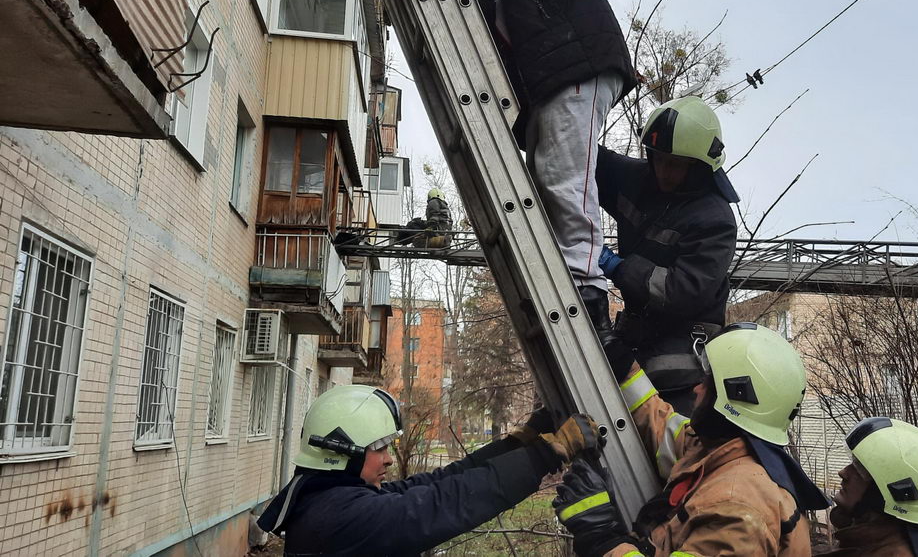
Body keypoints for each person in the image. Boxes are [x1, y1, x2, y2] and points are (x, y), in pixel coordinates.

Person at [445, 0, 635, 330]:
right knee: (553, 179)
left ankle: (587, 290)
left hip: (576, 70)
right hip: (558, 76)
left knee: (567, 179)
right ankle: (573, 277)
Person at [553, 323, 829, 556]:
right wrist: (624, 366)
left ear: (735, 397)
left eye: (707, 383)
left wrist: (601, 535)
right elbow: (662, 425)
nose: (697, 388)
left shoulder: (739, 509)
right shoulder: (724, 452)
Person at [257, 384, 599, 555]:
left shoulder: (330, 499)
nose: (389, 459)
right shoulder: (339, 516)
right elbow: (442, 503)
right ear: (341, 452)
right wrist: (549, 454)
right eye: (379, 448)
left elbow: (439, 482)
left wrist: (521, 443)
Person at [594, 95, 739, 414]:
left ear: (702, 167)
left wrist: (616, 266)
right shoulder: (640, 180)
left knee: (670, 450)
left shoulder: (715, 220)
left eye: (675, 164)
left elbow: (682, 291)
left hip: (682, 377)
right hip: (634, 348)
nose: (663, 171)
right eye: (657, 158)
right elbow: (587, 159)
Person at [825, 417, 918, 557]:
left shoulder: (895, 553)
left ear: (898, 491)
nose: (843, 473)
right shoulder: (870, 542)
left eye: (860, 469)